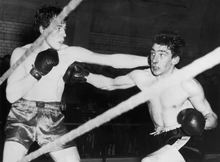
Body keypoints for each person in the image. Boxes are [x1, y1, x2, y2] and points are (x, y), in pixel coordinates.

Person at [3, 4, 150, 162]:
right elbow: (11, 96)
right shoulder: (21, 53)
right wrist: (36, 72)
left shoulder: (69, 53)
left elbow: (111, 60)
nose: (64, 34)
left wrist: (150, 61)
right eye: (58, 28)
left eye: (65, 28)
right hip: (22, 115)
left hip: (52, 117)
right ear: (42, 29)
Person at [65, 32, 218, 162]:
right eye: (153, 53)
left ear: (175, 59)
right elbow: (110, 84)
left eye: (162, 54)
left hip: (185, 138)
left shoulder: (188, 84)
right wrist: (85, 75)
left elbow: (212, 117)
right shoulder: (142, 77)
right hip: (159, 137)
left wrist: (201, 124)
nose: (155, 59)